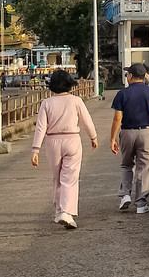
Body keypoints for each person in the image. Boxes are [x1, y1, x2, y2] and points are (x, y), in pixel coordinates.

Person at [31, 69, 99, 230]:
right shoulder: (76, 101)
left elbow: (41, 127)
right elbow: (86, 121)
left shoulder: (46, 103)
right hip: (72, 139)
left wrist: (35, 149)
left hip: (52, 140)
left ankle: (58, 211)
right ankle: (66, 212)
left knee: (57, 178)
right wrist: (93, 137)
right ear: (69, 84)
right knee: (70, 178)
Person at [110, 62, 149, 214]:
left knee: (126, 165)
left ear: (130, 76)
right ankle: (141, 203)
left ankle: (125, 195)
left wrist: (113, 138)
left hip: (127, 132)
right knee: (145, 167)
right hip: (146, 133)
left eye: (127, 74)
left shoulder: (122, 94)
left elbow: (117, 118)